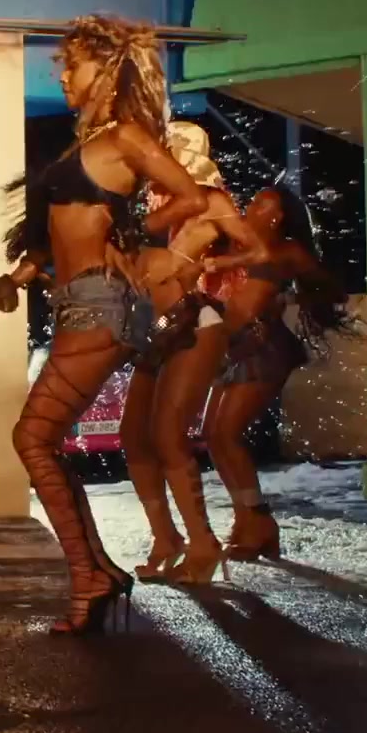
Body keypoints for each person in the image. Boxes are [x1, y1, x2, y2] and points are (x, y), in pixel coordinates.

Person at [0, 14, 208, 635]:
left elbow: (193, 199)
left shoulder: (128, 138)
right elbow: (57, 235)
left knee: (32, 440)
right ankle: (98, 570)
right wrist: (5, 284)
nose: (62, 76)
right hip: (77, 304)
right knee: (43, 441)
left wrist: (137, 241)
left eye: (72, 64)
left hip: (100, 306)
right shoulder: (90, 143)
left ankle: (89, 575)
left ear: (107, 68)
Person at [121, 123, 267, 585]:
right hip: (154, 324)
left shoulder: (211, 200)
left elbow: (257, 251)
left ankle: (203, 544)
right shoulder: (156, 202)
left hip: (194, 320)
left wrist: (212, 263)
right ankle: (166, 538)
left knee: (167, 435)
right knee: (133, 436)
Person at [200, 186, 346, 562]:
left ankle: (260, 521)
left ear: (277, 217)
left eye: (261, 204)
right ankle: (246, 518)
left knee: (227, 435)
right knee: (212, 436)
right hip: (233, 346)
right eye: (252, 202)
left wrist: (291, 296)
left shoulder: (285, 250)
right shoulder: (239, 245)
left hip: (265, 349)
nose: (251, 207)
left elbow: (326, 284)